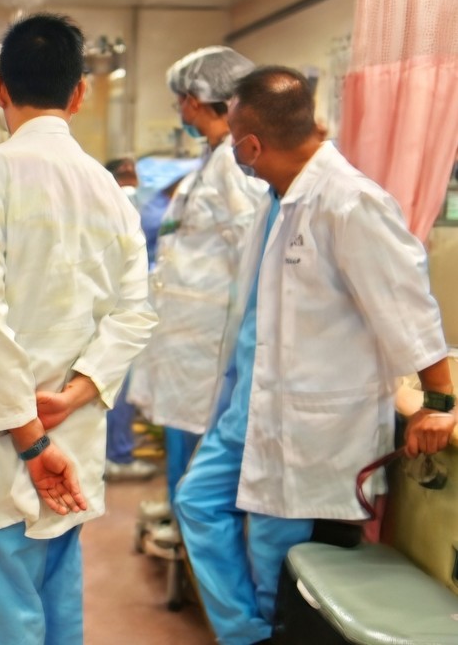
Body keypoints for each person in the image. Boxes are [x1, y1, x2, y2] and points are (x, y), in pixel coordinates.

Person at [174, 66, 456, 645]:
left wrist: (438, 401)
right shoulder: (277, 199)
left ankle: (263, 632)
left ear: (251, 144)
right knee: (197, 502)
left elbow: (409, 309)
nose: (233, 153)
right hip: (251, 409)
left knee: (276, 566)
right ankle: (245, 636)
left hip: (309, 426)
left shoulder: (350, 202)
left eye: (233, 142)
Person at [0, 13, 157, 644]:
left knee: (9, 611)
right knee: (58, 605)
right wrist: (78, 394)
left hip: (13, 450)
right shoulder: (110, 191)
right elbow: (135, 311)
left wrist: (30, 442)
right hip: (71, 440)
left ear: (0, 90)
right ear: (79, 92)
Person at [127, 47, 267, 526]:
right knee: (185, 452)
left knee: (200, 469)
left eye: (181, 99)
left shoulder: (234, 164)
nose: (179, 110)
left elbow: (251, 251)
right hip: (189, 347)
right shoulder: (213, 162)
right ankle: (185, 540)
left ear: (197, 99)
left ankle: (193, 551)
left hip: (210, 349)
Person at [102, 155, 160, 482]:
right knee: (119, 385)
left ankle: (116, 451)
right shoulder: (129, 202)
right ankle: (118, 455)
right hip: (122, 307)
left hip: (117, 305)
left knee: (115, 383)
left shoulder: (110, 204)